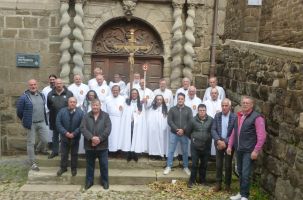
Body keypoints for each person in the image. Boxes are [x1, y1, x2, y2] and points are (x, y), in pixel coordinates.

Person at [227, 96, 266, 200]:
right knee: (239, 171)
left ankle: (245, 196)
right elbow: (234, 133)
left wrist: (256, 150)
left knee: (245, 173)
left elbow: (262, 136)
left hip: (249, 151)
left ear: (252, 105)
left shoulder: (257, 117)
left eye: (247, 103)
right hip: (239, 149)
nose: (244, 104)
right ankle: (241, 193)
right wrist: (230, 146)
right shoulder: (239, 115)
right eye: (243, 102)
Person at [16, 79, 48, 171]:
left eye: (34, 84)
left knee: (45, 140)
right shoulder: (24, 97)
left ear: (37, 85)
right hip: (31, 123)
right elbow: (19, 111)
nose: (33, 86)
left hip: (41, 121)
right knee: (31, 143)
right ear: (28, 86)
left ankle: (39, 149)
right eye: (31, 85)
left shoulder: (41, 95)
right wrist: (25, 119)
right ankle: (32, 163)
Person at [81, 99, 112, 190]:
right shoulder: (86, 116)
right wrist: (92, 138)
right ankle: (89, 182)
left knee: (104, 165)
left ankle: (105, 182)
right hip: (89, 146)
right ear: (91, 106)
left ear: (100, 105)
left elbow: (108, 129)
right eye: (93, 105)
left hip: (102, 146)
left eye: (97, 105)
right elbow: (82, 128)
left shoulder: (105, 116)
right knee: (90, 165)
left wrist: (99, 139)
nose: (95, 107)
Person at [163, 93, 192, 176]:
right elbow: (170, 121)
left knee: (185, 151)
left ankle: (186, 167)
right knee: (171, 150)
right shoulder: (172, 109)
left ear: (184, 100)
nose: (180, 100)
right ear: (177, 99)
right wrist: (177, 129)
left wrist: (183, 130)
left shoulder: (188, 109)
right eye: (179, 99)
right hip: (174, 133)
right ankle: (168, 166)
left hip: (184, 134)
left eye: (182, 99)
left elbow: (190, 121)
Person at [211, 98, 236, 192]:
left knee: (228, 165)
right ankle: (218, 184)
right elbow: (213, 129)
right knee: (218, 164)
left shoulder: (234, 117)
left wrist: (225, 142)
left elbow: (235, 132)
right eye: (223, 105)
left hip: (229, 144)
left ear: (230, 107)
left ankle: (228, 185)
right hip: (218, 143)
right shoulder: (217, 116)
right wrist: (218, 141)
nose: (224, 107)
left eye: (226, 106)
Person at [56, 97, 84, 177]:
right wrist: (66, 133)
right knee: (64, 153)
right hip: (64, 137)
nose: (72, 103)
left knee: (74, 154)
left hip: (75, 137)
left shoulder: (80, 112)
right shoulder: (62, 111)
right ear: (68, 103)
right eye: (71, 102)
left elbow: (82, 125)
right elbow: (58, 123)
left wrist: (74, 133)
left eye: (74, 102)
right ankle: (63, 168)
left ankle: (73, 168)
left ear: (76, 103)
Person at [186, 104, 213, 188]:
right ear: (198, 111)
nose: (202, 112)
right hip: (195, 147)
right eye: (200, 110)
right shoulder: (192, 120)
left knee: (204, 164)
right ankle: (192, 181)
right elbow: (187, 132)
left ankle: (202, 180)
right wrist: (194, 139)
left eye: (203, 110)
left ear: (206, 111)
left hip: (206, 146)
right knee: (194, 164)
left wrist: (208, 137)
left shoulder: (211, 120)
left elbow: (213, 131)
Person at [118, 88, 147, 162]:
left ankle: (135, 154)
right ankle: (129, 154)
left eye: (135, 93)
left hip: (137, 124)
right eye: (132, 93)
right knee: (129, 137)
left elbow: (142, 115)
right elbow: (124, 112)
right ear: (130, 94)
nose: (134, 94)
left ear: (137, 95)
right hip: (129, 123)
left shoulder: (140, 104)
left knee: (136, 138)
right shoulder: (127, 102)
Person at [47, 78, 73, 159]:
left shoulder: (69, 93)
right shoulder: (50, 94)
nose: (58, 85)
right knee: (55, 136)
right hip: (54, 118)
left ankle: (64, 152)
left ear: (62, 84)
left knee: (65, 136)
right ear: (54, 84)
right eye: (57, 83)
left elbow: (72, 106)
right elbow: (49, 105)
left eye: (60, 83)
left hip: (66, 120)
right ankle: (55, 151)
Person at [104, 85, 125, 152]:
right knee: (110, 135)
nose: (115, 91)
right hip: (109, 118)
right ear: (111, 91)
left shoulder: (123, 99)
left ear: (119, 91)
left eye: (117, 90)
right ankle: (109, 150)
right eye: (114, 90)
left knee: (118, 135)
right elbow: (104, 109)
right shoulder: (107, 98)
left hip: (119, 119)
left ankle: (118, 150)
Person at [204, 87, 222, 156]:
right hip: (208, 124)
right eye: (212, 93)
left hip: (218, 125)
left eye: (215, 93)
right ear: (210, 94)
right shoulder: (206, 103)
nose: (214, 94)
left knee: (217, 139)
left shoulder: (221, 102)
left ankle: (216, 155)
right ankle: (209, 154)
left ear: (218, 94)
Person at [41, 74, 57, 149]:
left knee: (56, 126)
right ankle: (49, 142)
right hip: (48, 111)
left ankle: (56, 142)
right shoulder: (45, 89)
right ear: (49, 80)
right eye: (51, 80)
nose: (52, 81)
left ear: (56, 80)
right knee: (48, 127)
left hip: (57, 112)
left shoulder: (59, 88)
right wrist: (46, 109)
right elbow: (43, 101)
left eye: (53, 79)